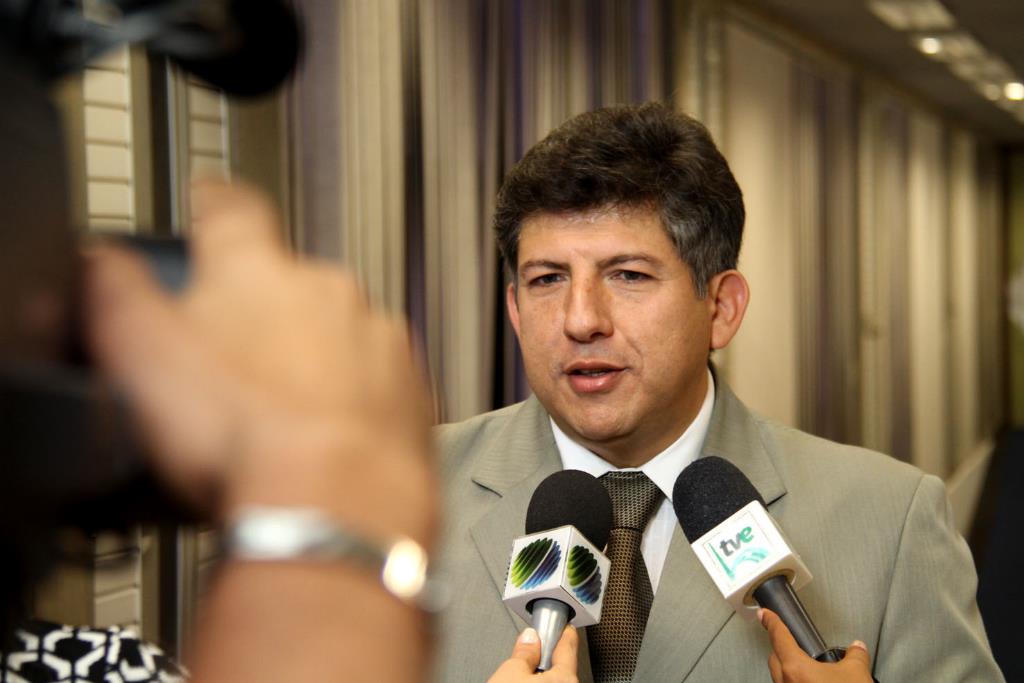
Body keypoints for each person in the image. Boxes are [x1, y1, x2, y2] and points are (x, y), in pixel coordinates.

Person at [433, 103, 1003, 682]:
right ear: (515, 310)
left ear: (722, 309)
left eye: (628, 275)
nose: (581, 320)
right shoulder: (407, 488)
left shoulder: (891, 518)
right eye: (548, 279)